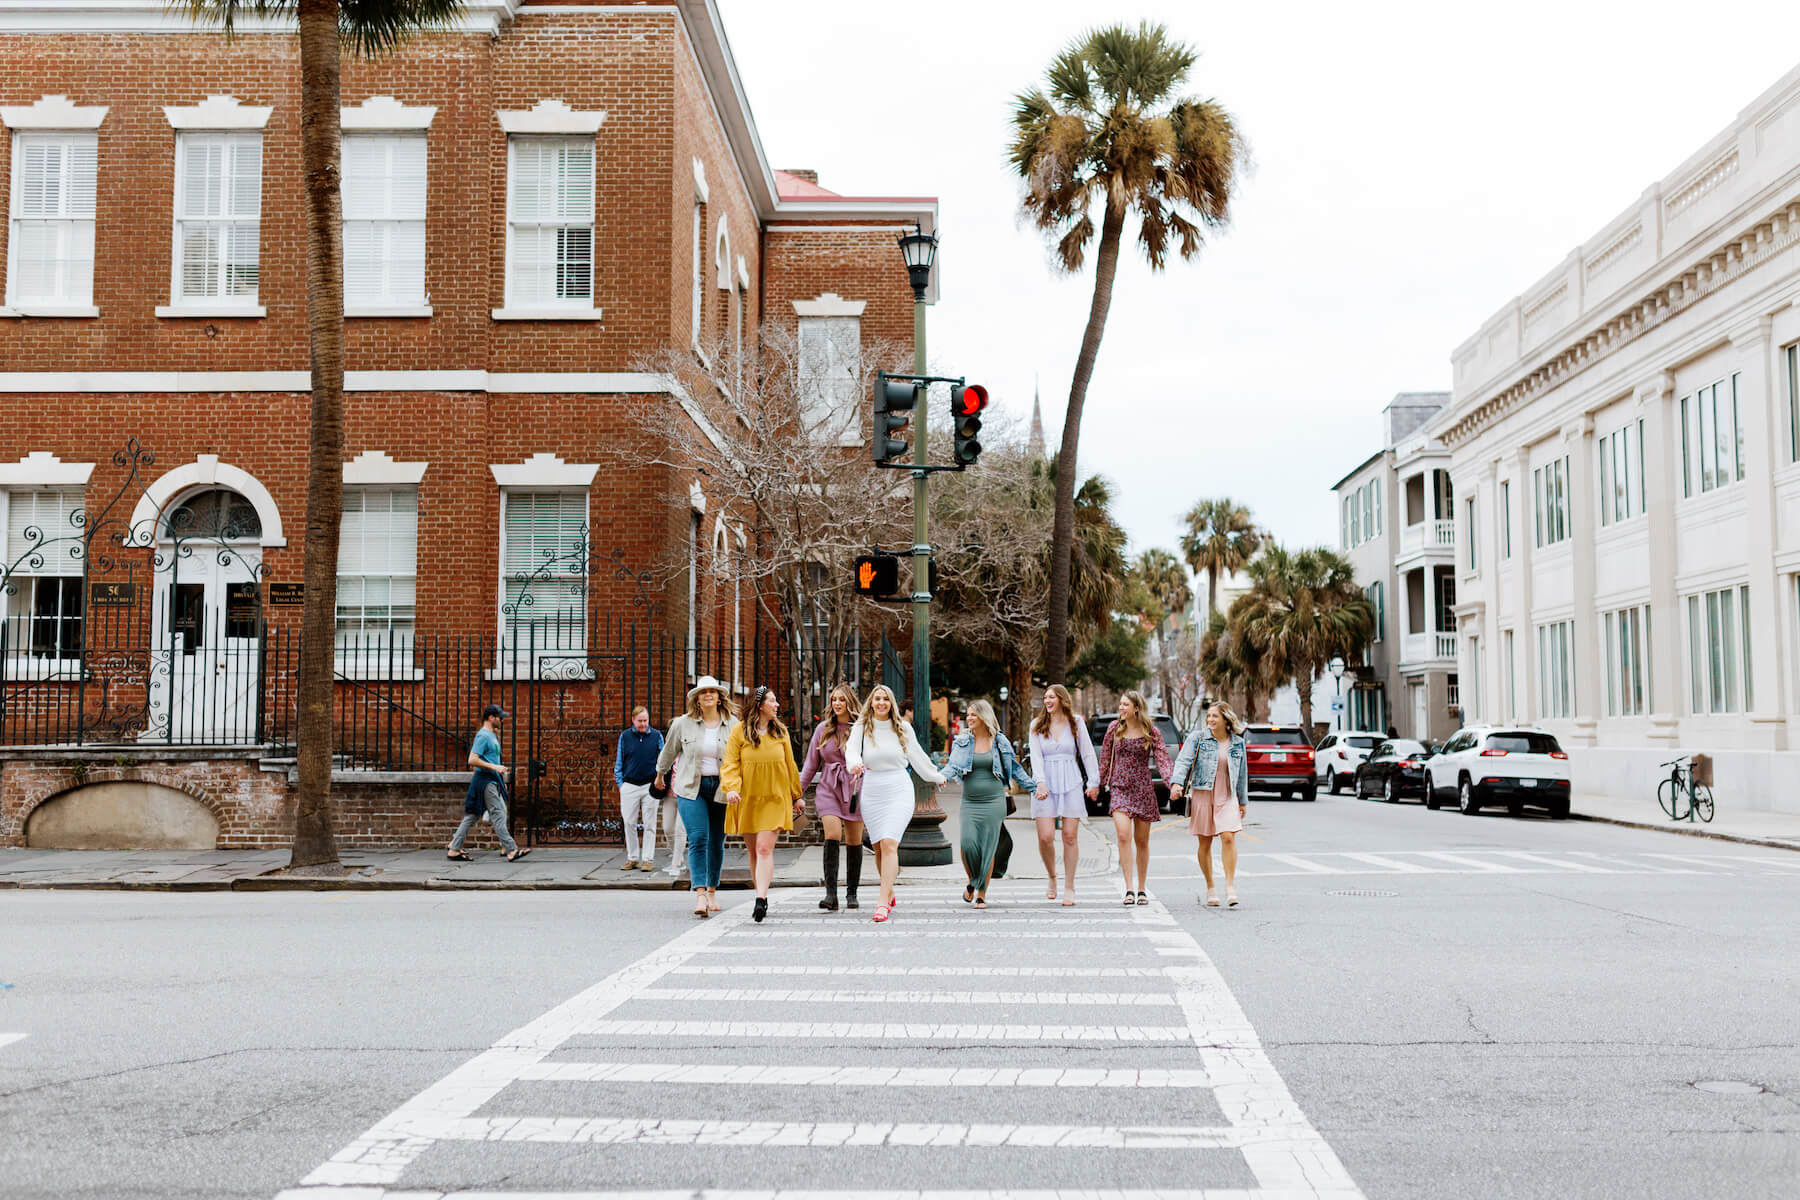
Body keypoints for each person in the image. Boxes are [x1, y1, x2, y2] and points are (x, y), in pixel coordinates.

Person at [846, 684, 945, 924]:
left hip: (898, 787)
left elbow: (917, 756)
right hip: (872, 789)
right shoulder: (862, 727)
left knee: (890, 843)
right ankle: (888, 889)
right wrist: (855, 764)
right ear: (871, 702)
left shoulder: (903, 728)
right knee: (879, 847)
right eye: (877, 699)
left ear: (891, 704)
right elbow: (851, 751)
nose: (881, 703)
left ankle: (882, 902)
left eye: (886, 699)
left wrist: (935, 776)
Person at [722, 684, 804, 923]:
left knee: (764, 848)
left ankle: (761, 899)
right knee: (753, 851)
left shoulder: (781, 733)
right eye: (772, 701)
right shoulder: (739, 732)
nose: (777, 705)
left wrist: (796, 795)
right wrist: (731, 789)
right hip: (747, 797)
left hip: (775, 798)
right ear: (759, 705)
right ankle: (762, 894)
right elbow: (730, 764)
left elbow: (790, 765)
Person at [656, 676, 738, 918]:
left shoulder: (733, 724)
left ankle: (712, 889)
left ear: (719, 697)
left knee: (716, 840)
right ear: (697, 698)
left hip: (721, 788)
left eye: (713, 691)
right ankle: (700, 892)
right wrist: (660, 775)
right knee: (699, 837)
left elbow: (741, 757)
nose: (709, 695)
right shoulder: (683, 723)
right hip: (692, 787)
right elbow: (669, 750)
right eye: (704, 692)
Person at [941, 698, 1033, 910]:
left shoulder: (1000, 741)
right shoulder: (962, 741)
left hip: (994, 801)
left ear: (984, 716)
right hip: (970, 801)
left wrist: (1033, 788)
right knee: (967, 844)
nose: (969, 718)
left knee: (988, 848)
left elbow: (1016, 768)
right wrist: (939, 777)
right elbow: (953, 765)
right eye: (968, 714)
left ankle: (981, 893)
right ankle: (973, 881)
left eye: (974, 714)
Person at [1170, 701, 1249, 908]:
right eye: (1209, 716)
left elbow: (1242, 774)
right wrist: (1177, 783)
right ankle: (1210, 886)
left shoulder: (1238, 742)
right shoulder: (1197, 738)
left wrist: (1242, 800)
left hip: (1228, 795)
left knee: (1228, 837)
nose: (1211, 719)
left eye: (1215, 716)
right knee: (1205, 843)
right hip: (1203, 794)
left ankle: (1230, 887)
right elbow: (1183, 761)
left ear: (1226, 719)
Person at [1097, 689, 1172, 906]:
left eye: (1125, 705)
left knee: (1141, 841)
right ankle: (1128, 888)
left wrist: (1171, 783)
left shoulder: (1151, 730)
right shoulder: (1114, 728)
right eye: (1120, 704)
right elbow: (1105, 757)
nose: (1121, 708)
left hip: (1143, 789)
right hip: (1120, 787)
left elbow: (1163, 759)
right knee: (1122, 835)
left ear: (1136, 708)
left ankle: (1141, 889)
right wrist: (1099, 784)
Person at [1027, 684, 1098, 906]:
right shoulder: (1037, 725)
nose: (1047, 701)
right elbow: (1036, 757)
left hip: (1071, 781)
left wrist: (1093, 781)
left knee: (1069, 835)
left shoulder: (1076, 722)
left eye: (1052, 697)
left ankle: (1069, 886)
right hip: (1045, 781)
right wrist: (1039, 782)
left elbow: (1087, 753)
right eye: (1045, 697)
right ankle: (1051, 877)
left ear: (1062, 700)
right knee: (1045, 836)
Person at [799, 683, 864, 911]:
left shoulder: (861, 728)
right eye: (834, 699)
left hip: (855, 788)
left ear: (850, 702)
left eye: (841, 699)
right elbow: (810, 765)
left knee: (854, 840)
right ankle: (831, 894)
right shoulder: (822, 729)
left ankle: (852, 892)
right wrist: (796, 793)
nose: (837, 703)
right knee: (833, 834)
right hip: (828, 787)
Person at [448, 703, 529, 863]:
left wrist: (499, 778)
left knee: (473, 815)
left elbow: (492, 758)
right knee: (498, 813)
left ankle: (454, 848)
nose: (502, 720)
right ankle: (511, 849)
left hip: (491, 779)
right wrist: (494, 767)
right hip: (484, 780)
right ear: (491, 718)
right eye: (500, 718)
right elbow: (472, 759)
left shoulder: (492, 735)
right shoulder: (483, 736)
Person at [614, 706, 664, 872]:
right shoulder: (625, 736)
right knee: (629, 822)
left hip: (650, 785)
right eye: (639, 721)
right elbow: (619, 760)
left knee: (650, 824)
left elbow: (662, 759)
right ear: (633, 720)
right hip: (629, 784)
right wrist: (621, 784)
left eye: (645, 720)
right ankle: (633, 858)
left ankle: (648, 859)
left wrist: (659, 779)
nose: (643, 724)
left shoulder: (657, 736)